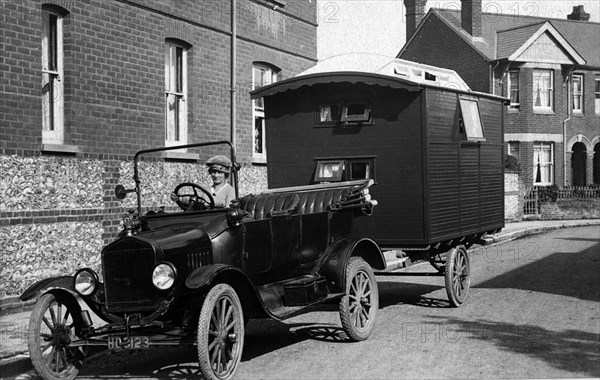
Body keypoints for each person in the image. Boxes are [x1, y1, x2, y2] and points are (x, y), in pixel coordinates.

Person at [171, 155, 236, 210]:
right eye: (214, 172)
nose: (216, 175)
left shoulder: (230, 190)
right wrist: (178, 198)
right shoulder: (206, 190)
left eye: (220, 172)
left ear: (225, 174)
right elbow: (194, 198)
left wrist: (206, 204)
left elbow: (229, 209)